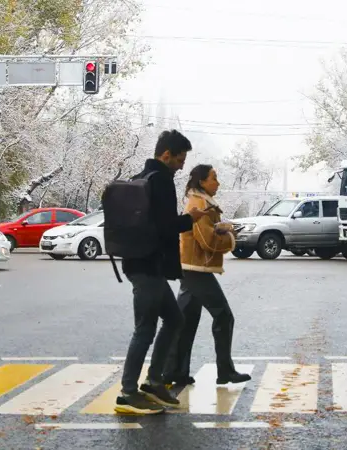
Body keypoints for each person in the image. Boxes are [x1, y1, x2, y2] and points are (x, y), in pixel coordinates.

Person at [114, 130, 208, 415]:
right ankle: (127, 393)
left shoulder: (140, 177)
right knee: (145, 330)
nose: (181, 166)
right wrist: (190, 219)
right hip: (148, 267)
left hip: (141, 264)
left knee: (175, 319)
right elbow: (166, 227)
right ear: (166, 154)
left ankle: (154, 382)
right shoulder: (162, 181)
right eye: (180, 159)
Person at [164, 164, 252, 386]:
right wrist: (228, 236)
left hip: (190, 266)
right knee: (224, 316)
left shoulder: (199, 202)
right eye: (214, 178)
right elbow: (206, 241)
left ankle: (174, 372)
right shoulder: (200, 204)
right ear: (202, 182)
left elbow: (204, 233)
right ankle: (225, 371)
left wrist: (219, 227)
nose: (218, 182)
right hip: (197, 270)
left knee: (185, 321)